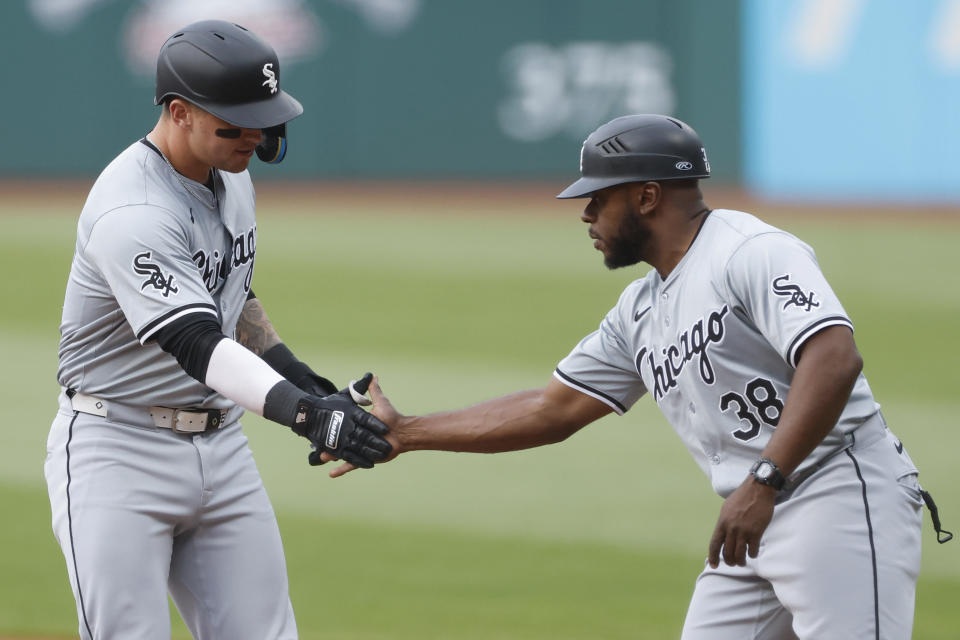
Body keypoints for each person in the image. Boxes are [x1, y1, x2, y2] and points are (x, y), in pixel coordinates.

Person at [324, 114, 952, 639]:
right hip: (749, 516)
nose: (585, 213)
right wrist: (408, 431)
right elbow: (552, 409)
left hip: (835, 494)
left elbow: (834, 357)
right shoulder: (640, 309)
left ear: (647, 196)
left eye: (598, 198)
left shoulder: (750, 251)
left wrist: (765, 478)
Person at [44, 20, 392, 640]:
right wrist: (307, 418)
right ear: (179, 112)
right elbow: (198, 343)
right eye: (236, 119)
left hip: (221, 447)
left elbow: (233, 300)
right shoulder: (133, 212)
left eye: (263, 115)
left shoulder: (229, 173)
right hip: (117, 450)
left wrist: (308, 387)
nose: (255, 135)